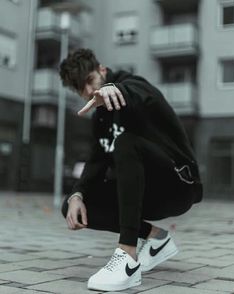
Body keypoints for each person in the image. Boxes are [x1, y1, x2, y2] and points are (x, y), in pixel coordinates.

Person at [59, 48, 203, 292]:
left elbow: (143, 94)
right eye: (79, 89)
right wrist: (77, 194)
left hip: (178, 184)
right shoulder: (101, 118)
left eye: (90, 81)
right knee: (74, 205)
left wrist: (117, 89)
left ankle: (127, 257)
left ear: (102, 71)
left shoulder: (132, 85)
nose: (87, 92)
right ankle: (155, 238)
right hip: (141, 191)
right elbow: (96, 161)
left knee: (125, 141)